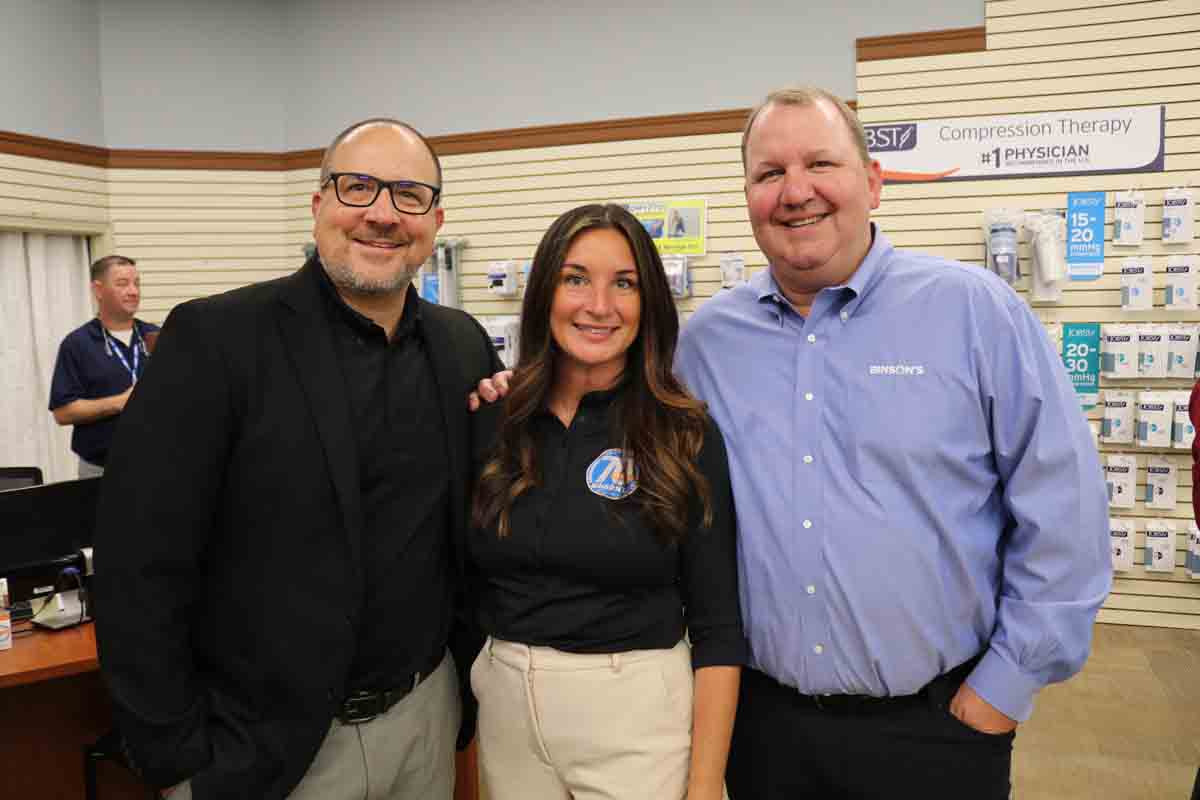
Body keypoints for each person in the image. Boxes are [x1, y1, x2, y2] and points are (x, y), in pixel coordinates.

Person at [673, 87, 1112, 798]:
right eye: (768, 173)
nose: (796, 192)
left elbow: (1066, 514)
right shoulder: (706, 345)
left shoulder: (974, 312)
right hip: (763, 733)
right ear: (747, 194)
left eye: (821, 163)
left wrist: (1003, 689)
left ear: (872, 182)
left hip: (937, 732)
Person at [94, 118, 501, 800]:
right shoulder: (215, 341)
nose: (380, 213)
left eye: (407, 194)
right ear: (318, 206)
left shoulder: (462, 347)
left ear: (434, 220)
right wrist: (177, 759)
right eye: (357, 187)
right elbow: (139, 563)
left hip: (426, 721)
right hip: (263, 750)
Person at [468, 203, 745, 800]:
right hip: (508, 711)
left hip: (637, 718)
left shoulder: (684, 434)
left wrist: (703, 785)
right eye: (575, 279)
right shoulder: (496, 418)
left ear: (649, 304)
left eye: (624, 284)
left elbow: (719, 626)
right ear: (545, 292)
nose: (599, 305)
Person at [49, 255, 158, 477]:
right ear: (98, 290)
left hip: (155, 464)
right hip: (100, 470)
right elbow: (63, 412)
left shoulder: (156, 337)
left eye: (136, 283)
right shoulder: (78, 344)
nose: (133, 291)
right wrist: (120, 403)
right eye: (122, 284)